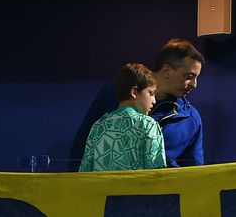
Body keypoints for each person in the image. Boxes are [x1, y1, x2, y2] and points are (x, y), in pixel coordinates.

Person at [70, 38, 205, 168]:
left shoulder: (190, 118)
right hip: (105, 182)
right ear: (167, 71)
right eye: (189, 76)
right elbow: (83, 148)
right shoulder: (115, 90)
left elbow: (194, 171)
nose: (194, 84)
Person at [78, 63, 166, 172]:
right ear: (134, 92)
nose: (154, 101)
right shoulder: (148, 125)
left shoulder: (98, 126)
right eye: (151, 93)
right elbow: (157, 172)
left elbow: (85, 171)